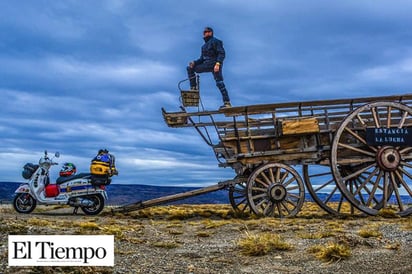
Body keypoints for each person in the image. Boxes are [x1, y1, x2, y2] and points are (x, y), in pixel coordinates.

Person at [187, 27, 231, 109]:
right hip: (207, 64)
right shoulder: (203, 47)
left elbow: (222, 53)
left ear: (211, 33)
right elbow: (202, 59)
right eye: (204, 32)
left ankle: (227, 103)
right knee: (190, 68)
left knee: (219, 83)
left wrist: (218, 64)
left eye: (207, 32)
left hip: (215, 64)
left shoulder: (216, 41)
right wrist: (194, 63)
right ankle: (193, 88)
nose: (205, 33)